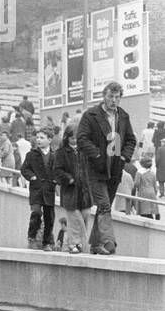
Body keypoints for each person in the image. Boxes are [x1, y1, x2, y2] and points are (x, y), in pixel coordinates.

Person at [76, 81, 136, 255]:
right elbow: (82, 139)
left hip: (115, 169)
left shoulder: (123, 116)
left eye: (117, 97)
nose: (114, 100)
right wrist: (96, 155)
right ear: (104, 96)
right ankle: (109, 242)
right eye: (110, 96)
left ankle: (95, 245)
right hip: (95, 169)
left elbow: (131, 140)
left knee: (105, 206)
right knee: (104, 205)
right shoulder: (91, 115)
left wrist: (124, 156)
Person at [53, 124, 93, 253]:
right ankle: (73, 244)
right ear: (67, 138)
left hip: (85, 191)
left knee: (86, 215)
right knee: (75, 219)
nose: (75, 140)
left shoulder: (85, 151)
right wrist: (68, 178)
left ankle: (79, 243)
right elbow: (57, 170)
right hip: (70, 192)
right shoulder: (61, 152)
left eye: (77, 138)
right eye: (72, 138)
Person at [20, 130, 57, 249]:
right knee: (36, 212)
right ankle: (31, 235)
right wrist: (32, 177)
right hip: (36, 189)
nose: (38, 140)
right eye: (37, 137)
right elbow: (24, 169)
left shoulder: (55, 155)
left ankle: (46, 242)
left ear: (49, 140)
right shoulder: (31, 154)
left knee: (49, 217)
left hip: (49, 190)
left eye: (42, 137)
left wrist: (56, 180)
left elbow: (59, 171)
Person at [134, 154, 159, 219]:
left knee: (144, 211)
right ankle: (154, 216)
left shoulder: (139, 172)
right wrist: (155, 193)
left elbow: (136, 183)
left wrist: (137, 188)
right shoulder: (152, 173)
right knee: (150, 209)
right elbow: (155, 185)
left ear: (142, 164)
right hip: (152, 192)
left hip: (143, 192)